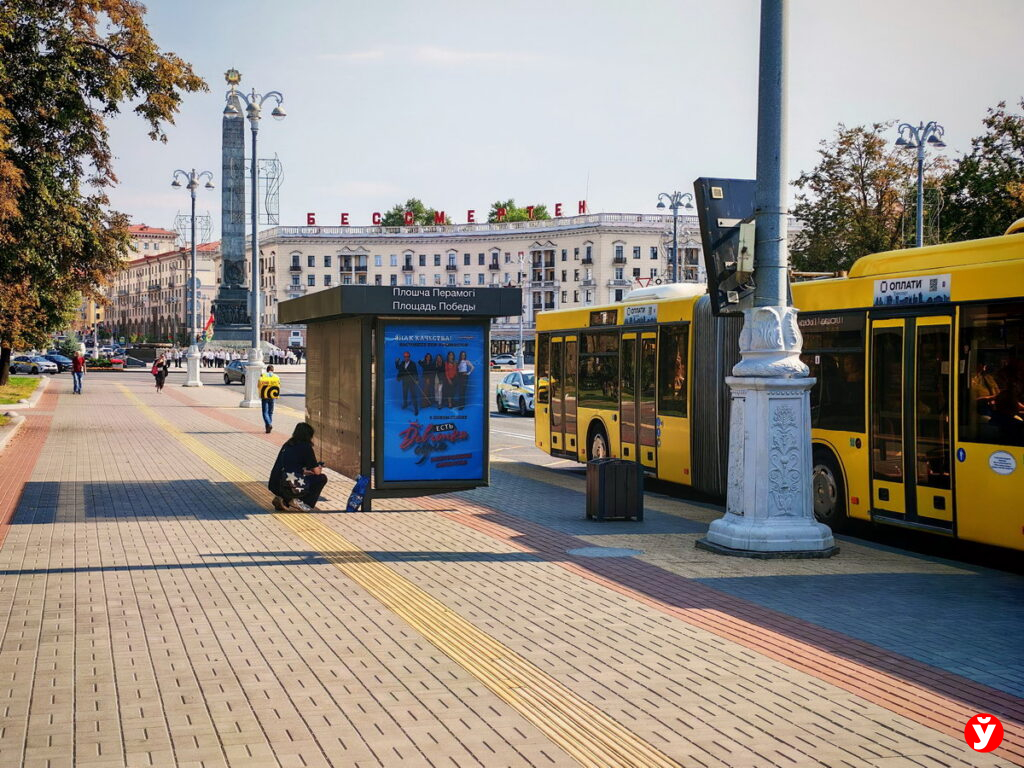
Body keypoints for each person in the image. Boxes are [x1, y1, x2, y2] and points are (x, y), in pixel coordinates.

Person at [268, 422, 327, 512]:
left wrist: (305, 472)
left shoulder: (288, 444)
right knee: (321, 478)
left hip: (274, 483)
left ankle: (285, 500)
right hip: (287, 483)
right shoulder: (306, 447)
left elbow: (289, 466)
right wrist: (319, 467)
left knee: (300, 479)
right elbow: (317, 472)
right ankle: (301, 502)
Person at [258, 364, 281, 433]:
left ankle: (268, 424)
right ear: (273, 370)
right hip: (273, 395)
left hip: (264, 396)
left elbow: (259, 384)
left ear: (267, 370)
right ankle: (268, 426)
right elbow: (279, 385)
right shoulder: (276, 376)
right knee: (270, 412)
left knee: (265, 412)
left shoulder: (263, 376)